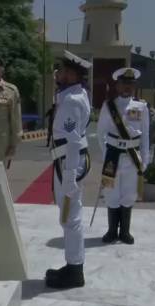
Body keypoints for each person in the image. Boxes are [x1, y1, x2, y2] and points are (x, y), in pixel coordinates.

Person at [44, 51, 92, 289]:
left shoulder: (72, 99)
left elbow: (72, 140)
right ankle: (72, 265)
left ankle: (75, 271)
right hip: (67, 160)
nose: (58, 73)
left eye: (62, 70)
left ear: (72, 74)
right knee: (69, 217)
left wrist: (71, 175)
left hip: (69, 162)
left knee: (70, 218)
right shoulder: (73, 93)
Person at [97, 67, 150, 245]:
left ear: (134, 86)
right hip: (112, 155)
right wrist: (106, 153)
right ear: (117, 86)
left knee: (129, 193)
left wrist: (145, 158)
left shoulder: (141, 106)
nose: (127, 87)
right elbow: (100, 133)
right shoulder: (108, 106)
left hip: (132, 157)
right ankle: (112, 231)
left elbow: (145, 135)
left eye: (130, 84)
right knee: (110, 192)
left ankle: (125, 232)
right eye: (123, 84)